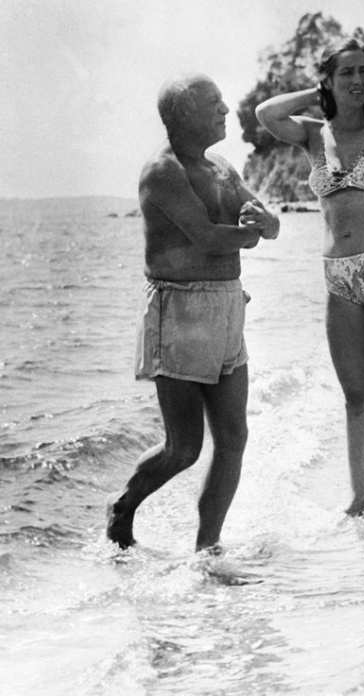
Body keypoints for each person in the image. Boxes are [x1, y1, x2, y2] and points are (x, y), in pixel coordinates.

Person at [255, 38, 364, 525]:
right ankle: (360, 501)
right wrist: (319, 93)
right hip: (339, 279)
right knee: (356, 399)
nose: (357, 80)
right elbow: (267, 113)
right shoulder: (314, 135)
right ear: (328, 81)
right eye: (346, 73)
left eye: (363, 72)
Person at [106, 73, 279, 552]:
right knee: (183, 448)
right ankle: (122, 505)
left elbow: (265, 221)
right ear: (183, 116)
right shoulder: (162, 171)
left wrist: (268, 222)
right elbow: (204, 237)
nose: (225, 109)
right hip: (178, 310)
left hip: (227, 305)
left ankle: (207, 549)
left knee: (234, 438)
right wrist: (253, 235)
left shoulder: (220, 165)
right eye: (214, 103)